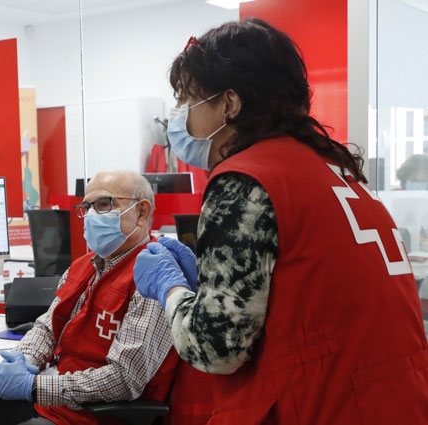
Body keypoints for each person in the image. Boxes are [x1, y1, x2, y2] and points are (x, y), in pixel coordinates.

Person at [133, 18, 428, 424]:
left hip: (320, 406)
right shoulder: (334, 171)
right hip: (394, 400)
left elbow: (216, 349)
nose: (182, 117)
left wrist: (171, 288)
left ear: (229, 104)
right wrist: (210, 285)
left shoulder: (245, 180)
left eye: (189, 100)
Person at [0, 170, 212, 425]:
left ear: (142, 211)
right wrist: (24, 359)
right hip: (56, 402)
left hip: (90, 415)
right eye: (86, 207)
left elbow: (126, 379)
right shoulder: (85, 265)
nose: (90, 215)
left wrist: (35, 387)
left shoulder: (154, 278)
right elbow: (48, 325)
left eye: (104, 204)